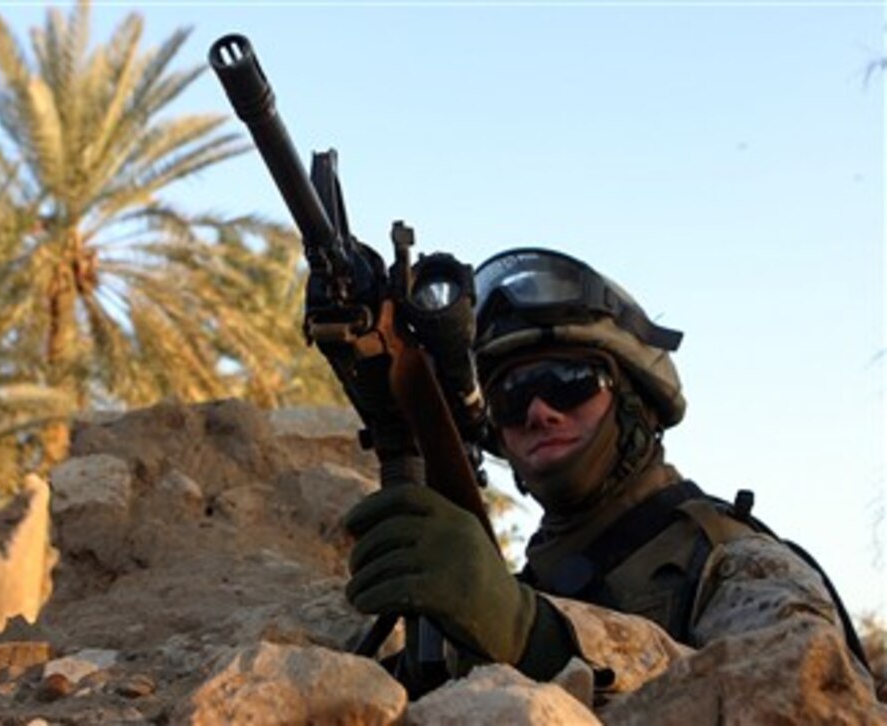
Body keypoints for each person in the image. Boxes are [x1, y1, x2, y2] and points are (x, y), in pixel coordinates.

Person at [343, 247, 879, 713]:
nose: (539, 411)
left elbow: (807, 699)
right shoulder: (506, 590)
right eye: (509, 396)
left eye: (568, 382)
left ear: (633, 402)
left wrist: (539, 636)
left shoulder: (730, 558)